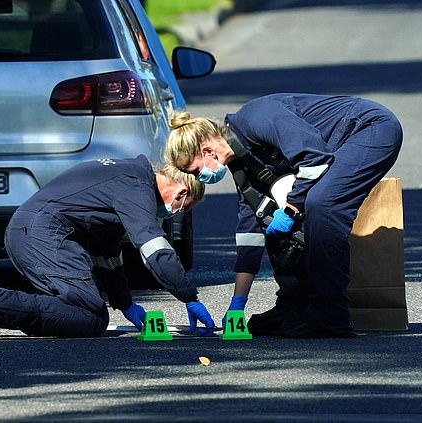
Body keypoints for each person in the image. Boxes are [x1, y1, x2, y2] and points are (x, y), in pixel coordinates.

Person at [165, 93, 403, 338]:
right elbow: (250, 231)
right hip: (345, 142)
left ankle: (330, 316)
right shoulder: (242, 165)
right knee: (270, 218)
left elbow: (315, 160)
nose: (197, 178)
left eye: (193, 170)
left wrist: (292, 207)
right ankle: (293, 307)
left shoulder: (256, 118)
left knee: (323, 205)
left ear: (207, 151)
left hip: (370, 129)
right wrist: (238, 302)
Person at [0, 155, 215, 341]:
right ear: (181, 193)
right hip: (42, 234)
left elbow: (105, 253)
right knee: (90, 317)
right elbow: (154, 249)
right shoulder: (136, 187)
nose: (173, 213)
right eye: (182, 208)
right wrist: (189, 297)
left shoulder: (125, 174)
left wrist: (125, 303)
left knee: (77, 308)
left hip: (28, 231)